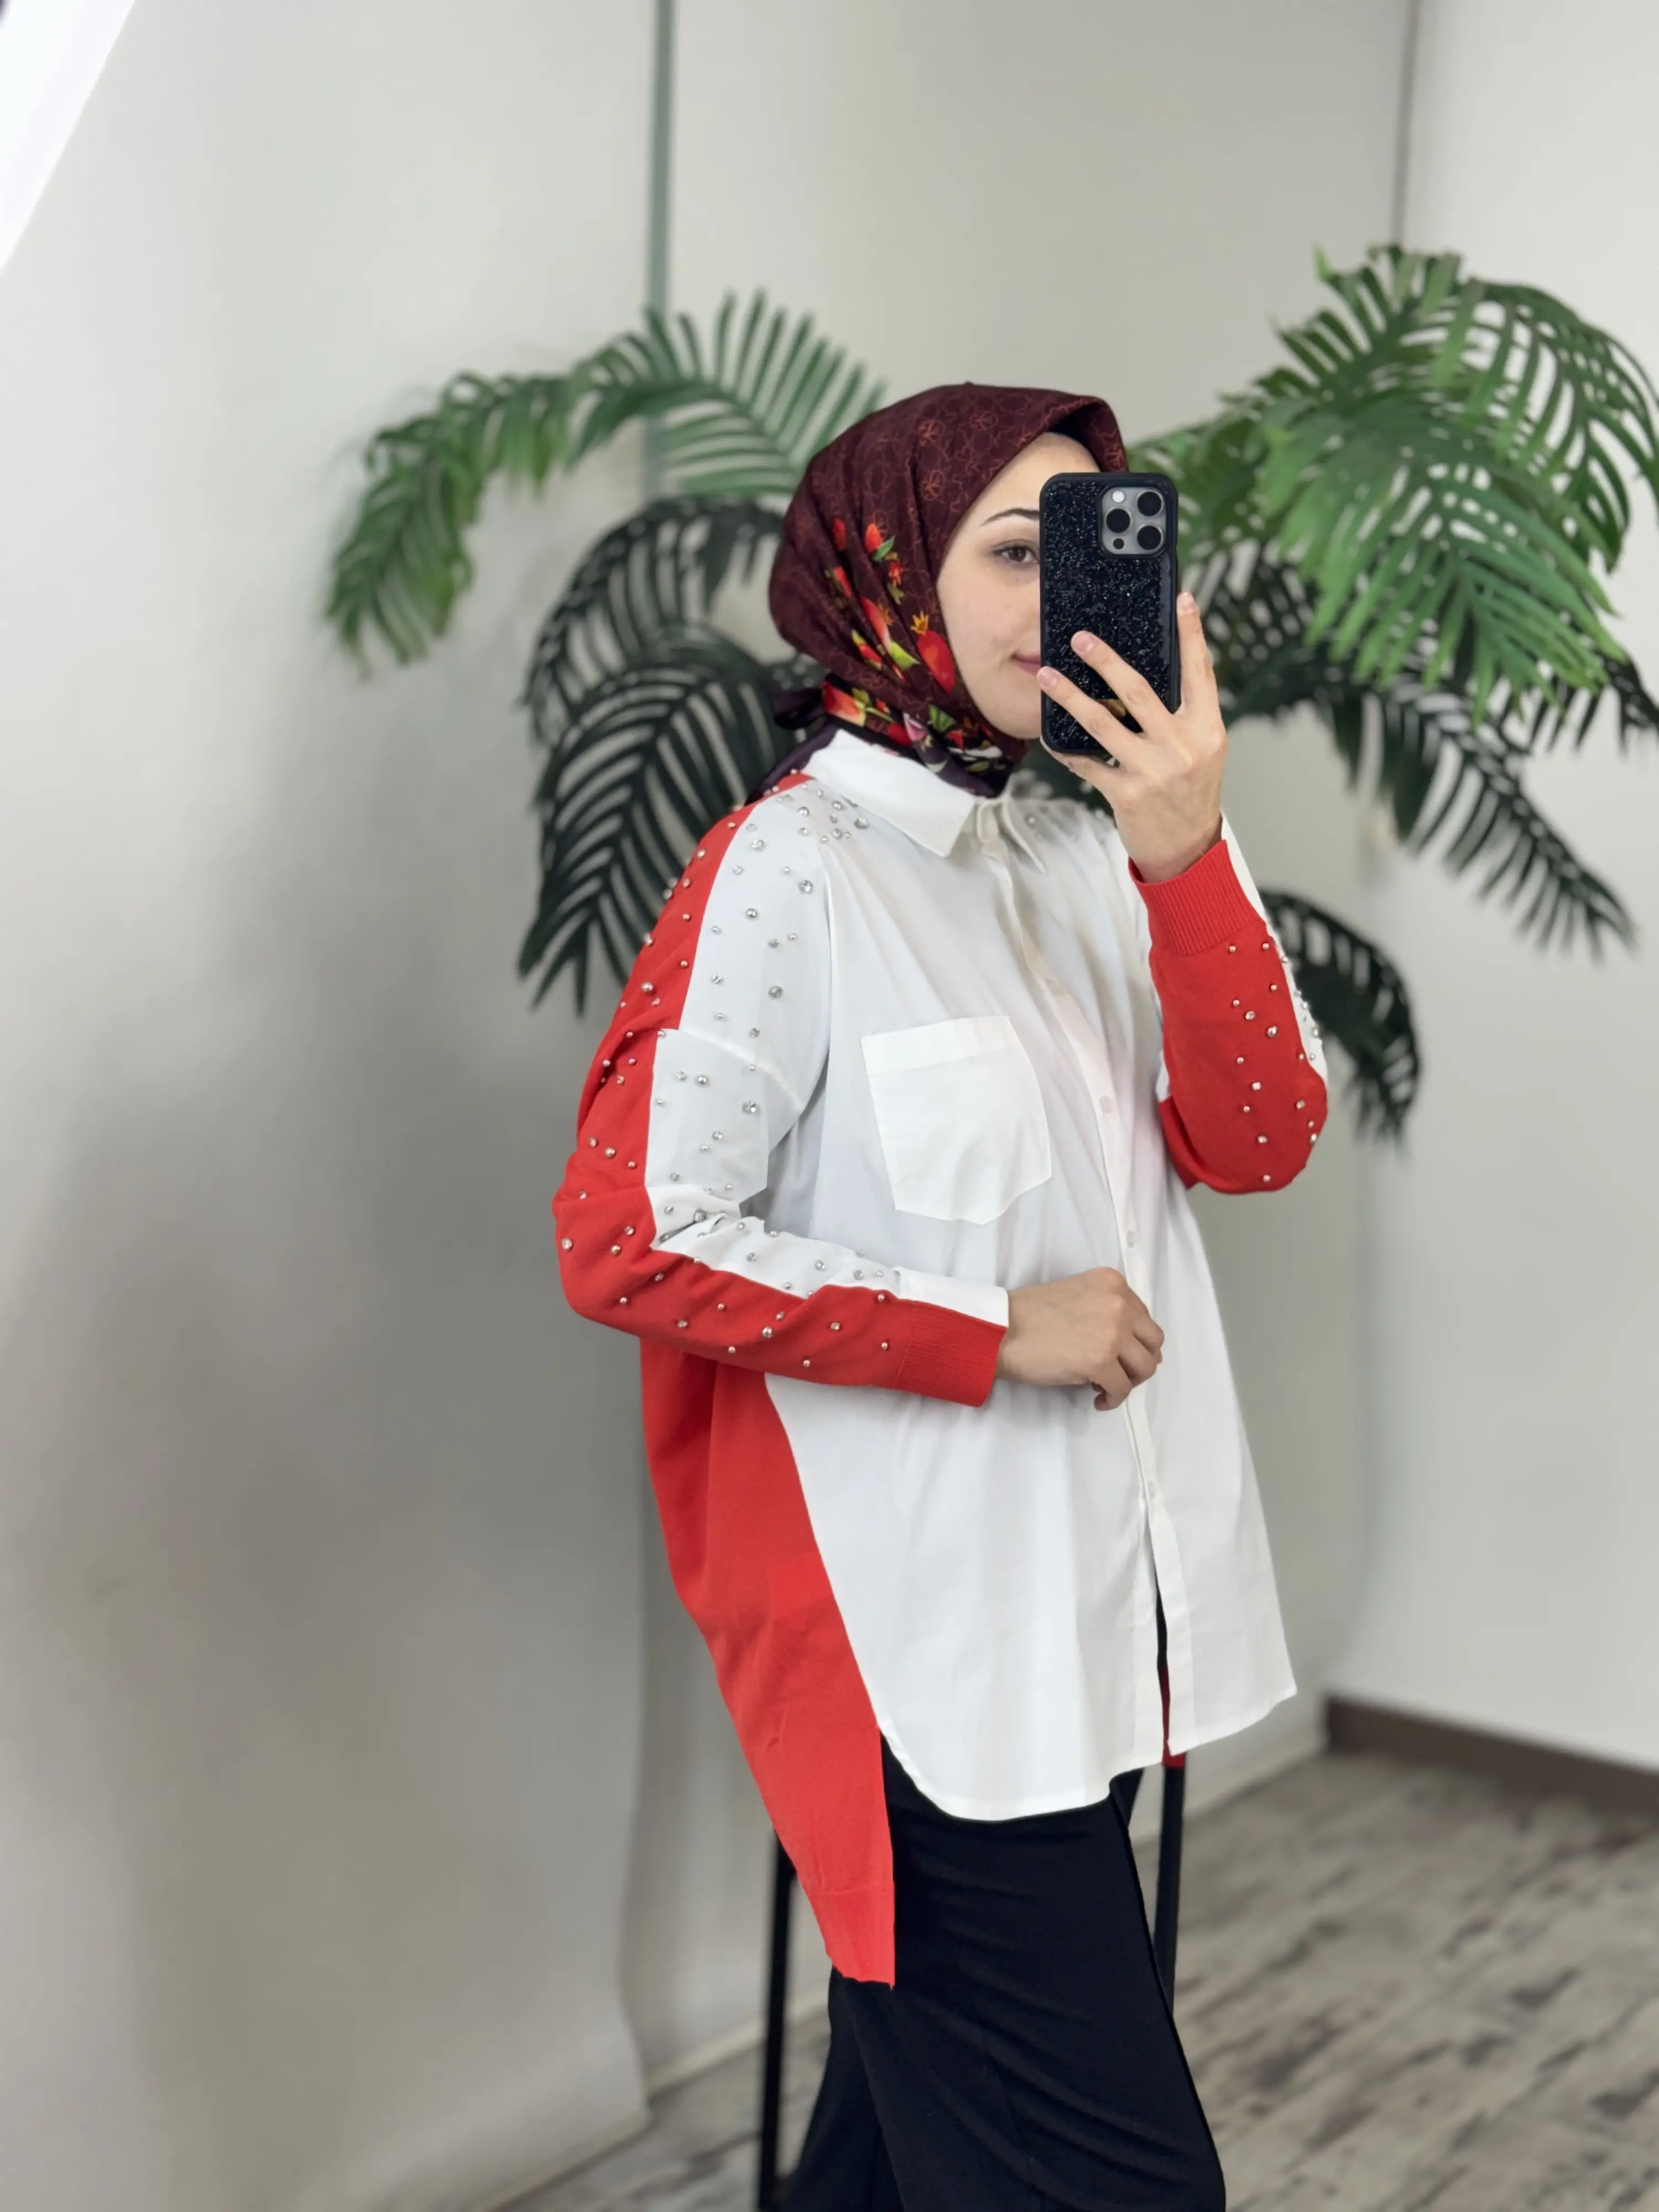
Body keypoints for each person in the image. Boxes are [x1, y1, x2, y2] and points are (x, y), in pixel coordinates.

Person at [554, 384, 1328, 2209]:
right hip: (922, 1661)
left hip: (1089, 1620)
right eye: (1012, 551)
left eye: (1090, 548)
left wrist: (1185, 850)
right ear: (890, 575)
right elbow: (630, 1236)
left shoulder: (1096, 852)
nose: (1059, 595)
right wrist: (993, 1328)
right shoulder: (791, 873)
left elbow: (1261, 1139)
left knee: (906, 2150)